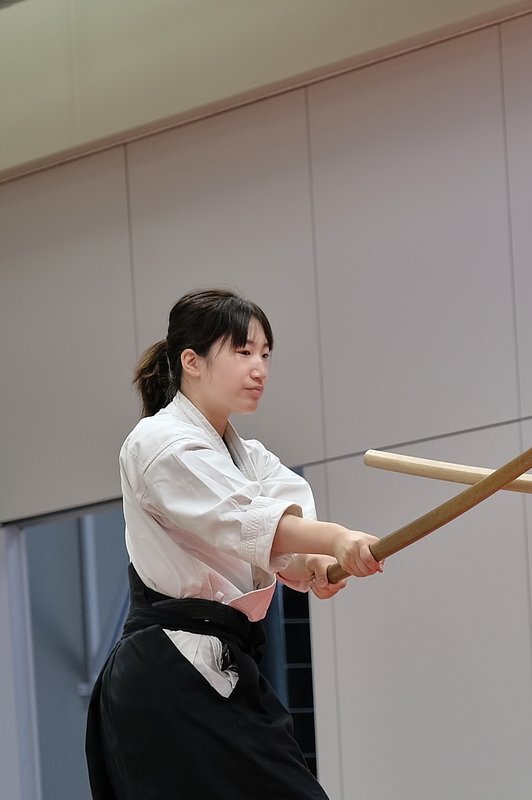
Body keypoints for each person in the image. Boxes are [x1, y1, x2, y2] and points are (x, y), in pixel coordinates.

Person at [86, 288, 384, 799]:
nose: (259, 368)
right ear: (191, 361)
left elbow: (286, 541)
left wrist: (318, 565)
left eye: (265, 354)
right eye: (243, 351)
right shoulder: (160, 444)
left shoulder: (249, 456)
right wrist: (337, 539)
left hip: (219, 663)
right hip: (169, 672)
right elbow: (250, 521)